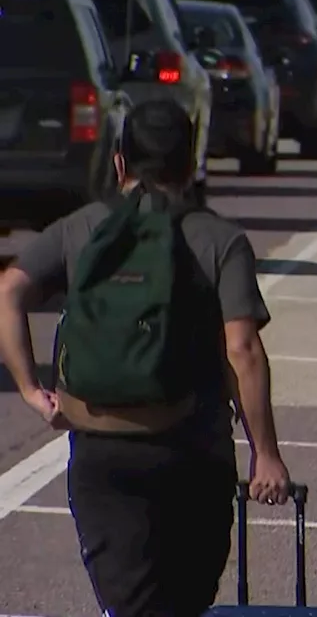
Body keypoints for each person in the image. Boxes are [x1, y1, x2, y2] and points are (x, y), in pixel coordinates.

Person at [0, 100, 290, 617]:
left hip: (101, 452)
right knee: (182, 603)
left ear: (119, 163)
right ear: (189, 163)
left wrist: (30, 389)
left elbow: (10, 291)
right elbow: (242, 350)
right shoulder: (220, 240)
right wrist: (264, 451)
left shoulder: (81, 228)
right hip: (192, 455)